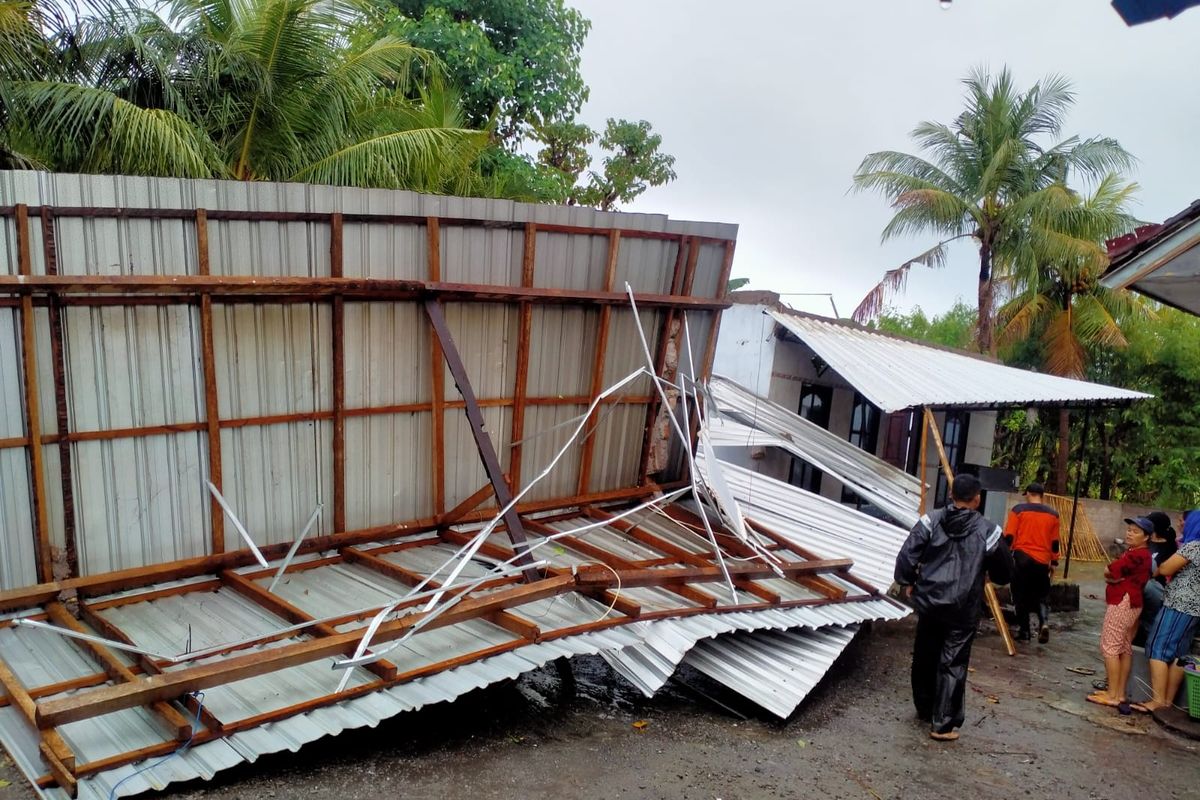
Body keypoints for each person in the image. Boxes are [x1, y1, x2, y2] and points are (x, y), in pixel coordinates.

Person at [895, 474, 1014, 741]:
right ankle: (943, 723)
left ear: (951, 495)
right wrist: (989, 575)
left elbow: (906, 554)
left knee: (925, 653)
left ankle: (925, 708)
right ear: (977, 498)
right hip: (963, 605)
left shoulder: (931, 521)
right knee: (953, 661)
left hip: (930, 601)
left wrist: (908, 581)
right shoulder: (988, 530)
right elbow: (1005, 571)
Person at [1087, 518, 1152, 711]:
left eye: (1136, 531)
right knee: (1123, 647)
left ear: (1146, 537)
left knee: (1110, 647)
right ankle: (1119, 692)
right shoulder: (1138, 553)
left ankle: (1113, 694)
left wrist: (1112, 574)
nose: (1130, 534)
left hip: (1123, 601)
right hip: (1131, 601)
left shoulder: (1136, 555)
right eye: (1129, 530)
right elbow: (1114, 573)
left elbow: (1110, 570)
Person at [1138, 534, 1200, 713]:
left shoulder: (1194, 547)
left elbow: (1166, 568)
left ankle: (1157, 700)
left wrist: (1158, 568)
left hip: (1178, 604)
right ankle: (1167, 702)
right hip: (1195, 609)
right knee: (1180, 654)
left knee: (1158, 648)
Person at [1002, 482, 1059, 643]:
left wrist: (1005, 556)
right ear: (1042, 496)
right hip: (1042, 561)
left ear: (1028, 493)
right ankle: (1044, 623)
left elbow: (1009, 537)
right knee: (1042, 595)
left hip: (1022, 558)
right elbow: (1055, 542)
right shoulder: (1053, 515)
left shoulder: (1018, 510)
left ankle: (1025, 632)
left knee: (1020, 596)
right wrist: (1054, 562)